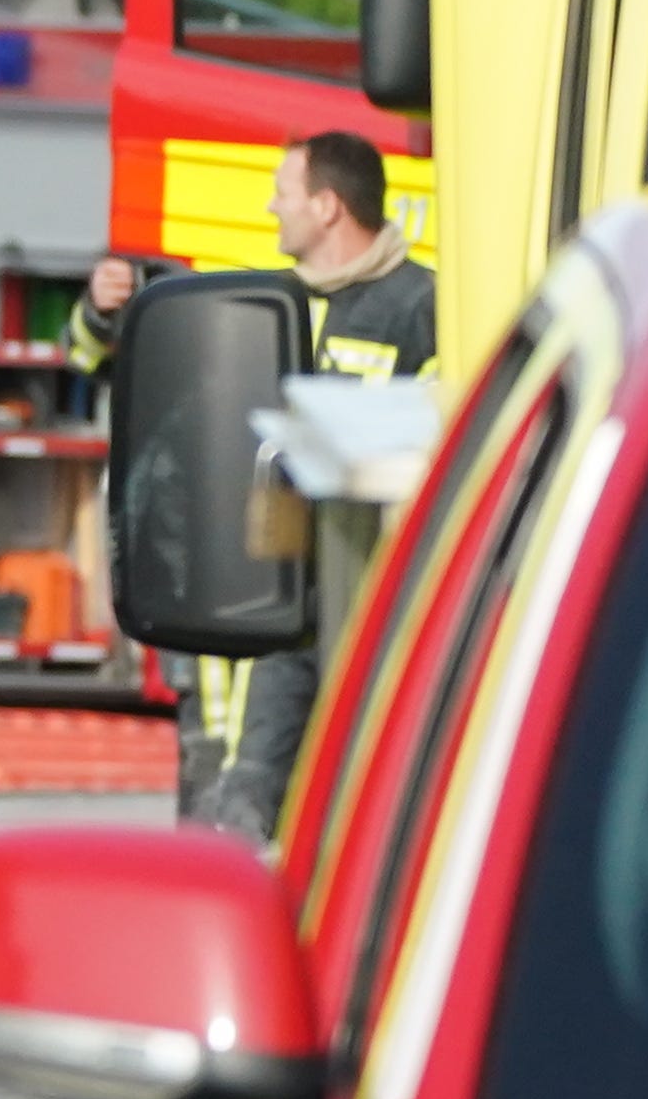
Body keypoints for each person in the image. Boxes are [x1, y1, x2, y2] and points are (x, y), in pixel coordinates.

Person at [81, 129, 433, 838]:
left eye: (284, 192)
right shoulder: (260, 303)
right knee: (228, 808)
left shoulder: (422, 309)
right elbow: (118, 370)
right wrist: (101, 312)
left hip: (359, 609)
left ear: (328, 207)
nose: (271, 208)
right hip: (245, 611)